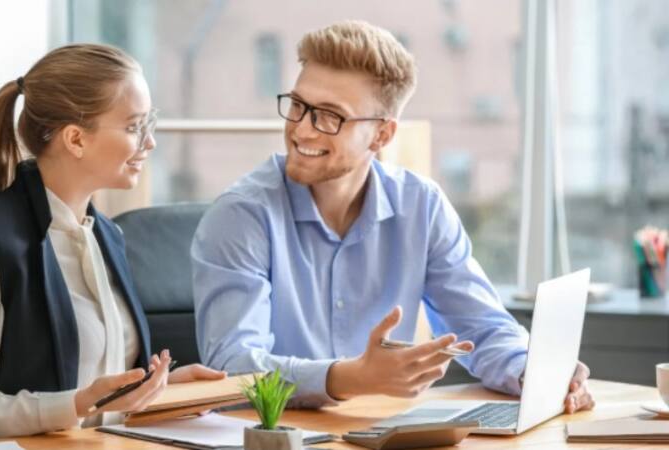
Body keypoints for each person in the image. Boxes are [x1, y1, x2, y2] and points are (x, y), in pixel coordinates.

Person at [192, 21, 594, 412]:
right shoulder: (241, 216)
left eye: (329, 116)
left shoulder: (421, 206)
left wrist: (535, 373)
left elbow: (483, 328)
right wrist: (350, 378)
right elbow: (232, 368)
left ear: (382, 135)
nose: (301, 130)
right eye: (297, 106)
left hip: (380, 435)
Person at [0, 43, 225, 446]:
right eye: (134, 127)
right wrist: (76, 404)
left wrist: (160, 390)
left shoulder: (106, 236)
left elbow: (98, 399)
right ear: (76, 139)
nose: (149, 143)